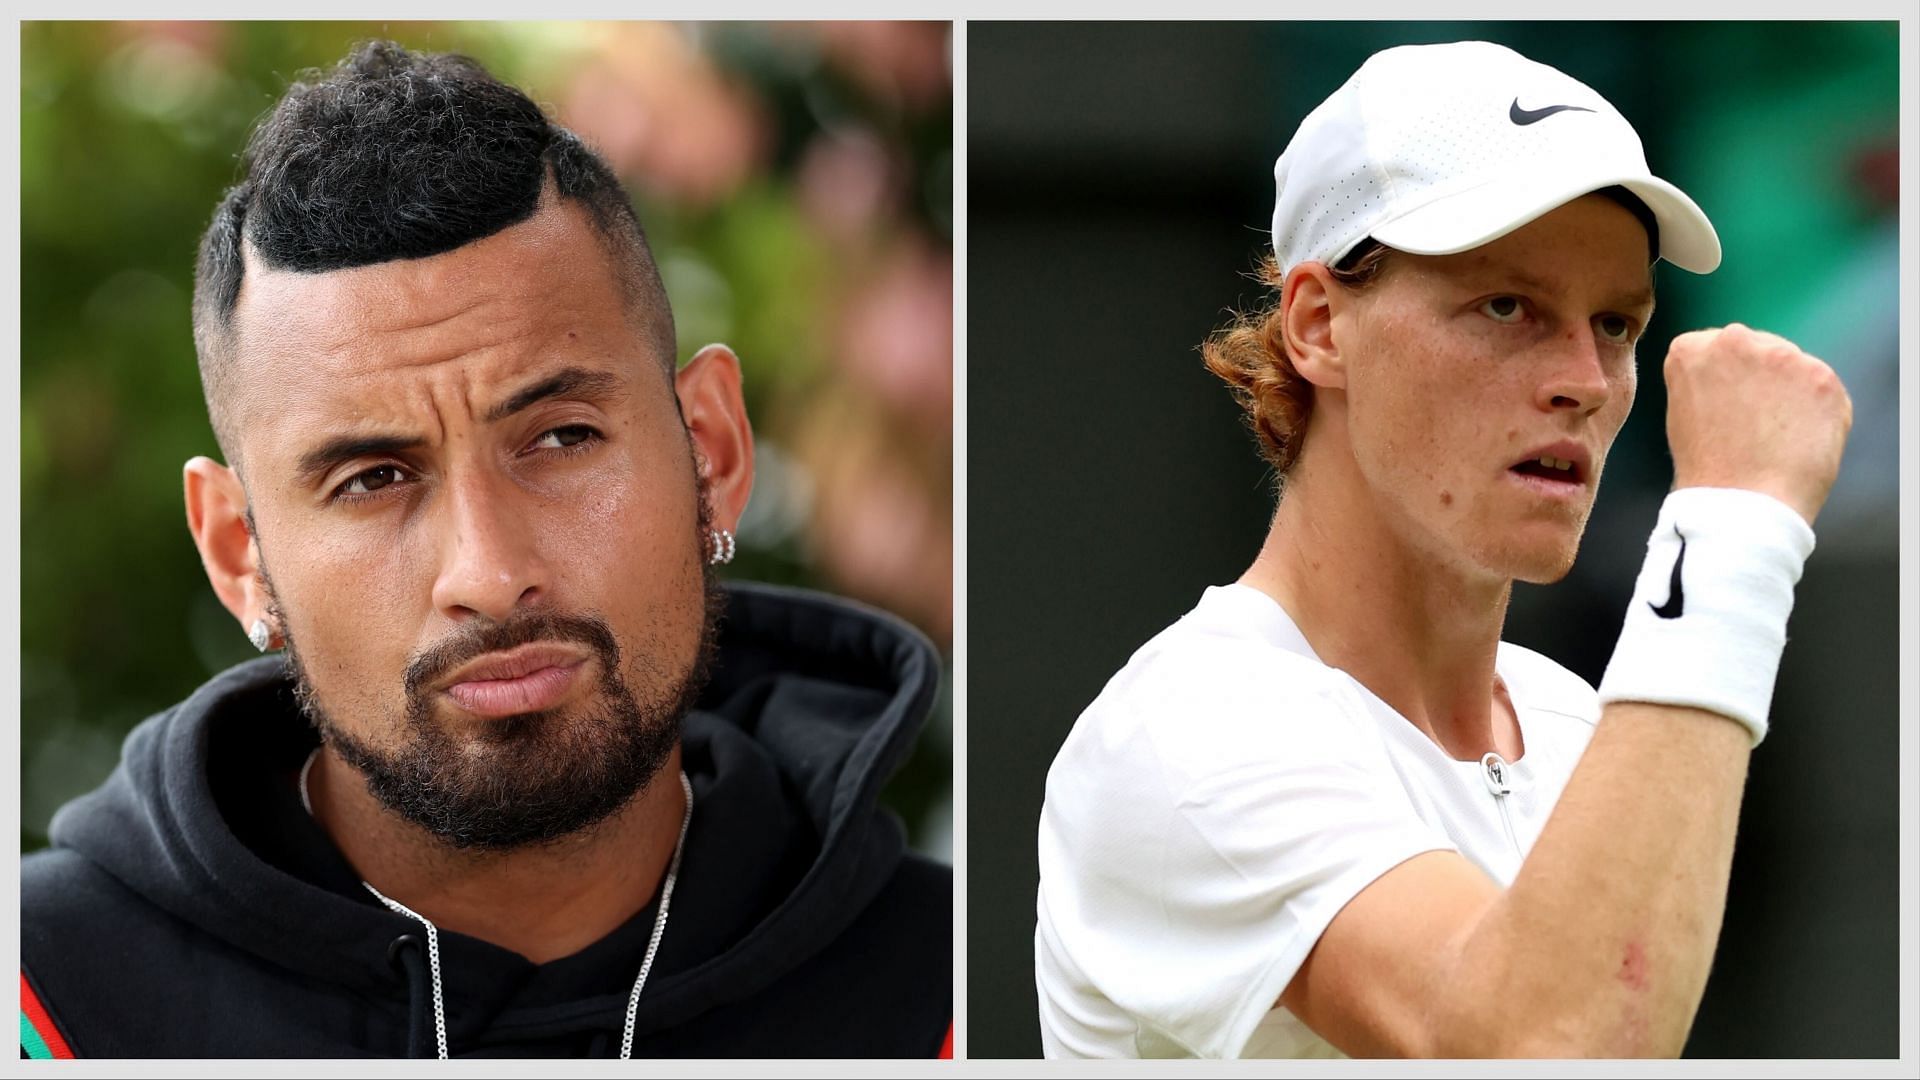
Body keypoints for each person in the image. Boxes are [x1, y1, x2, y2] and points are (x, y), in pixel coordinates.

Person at [20, 41, 950, 1059]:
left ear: (713, 451)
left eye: (560, 439)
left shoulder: (961, 994)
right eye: (373, 479)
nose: (490, 573)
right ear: (241, 553)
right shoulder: (47, 1011)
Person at [1034, 40, 1851, 1059]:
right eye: (1506, 306)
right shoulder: (1185, 734)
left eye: (1615, 324)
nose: (1585, 380)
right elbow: (1542, 1045)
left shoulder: (1577, 727)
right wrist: (1733, 524)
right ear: (1320, 324)